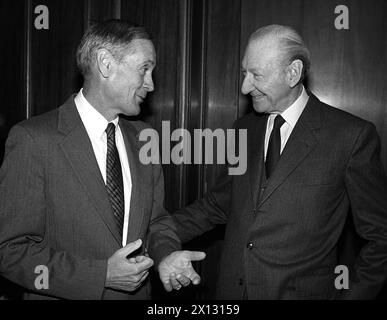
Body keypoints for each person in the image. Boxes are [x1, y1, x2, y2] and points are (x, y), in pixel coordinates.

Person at [162, 24, 387, 299]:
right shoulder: (244, 128)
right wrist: (156, 234)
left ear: (293, 73)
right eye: (244, 73)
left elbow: (381, 237)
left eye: (256, 75)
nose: (245, 86)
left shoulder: (350, 136)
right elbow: (218, 205)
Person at [0, 19, 204, 300]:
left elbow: (156, 221)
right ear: (105, 64)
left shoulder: (146, 137)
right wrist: (99, 276)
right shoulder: (33, 140)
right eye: (144, 69)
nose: (151, 84)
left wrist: (165, 254)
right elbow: (10, 251)